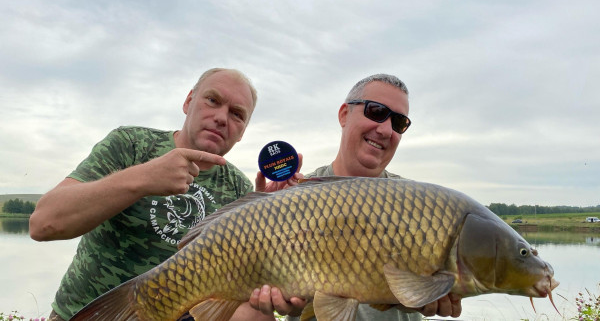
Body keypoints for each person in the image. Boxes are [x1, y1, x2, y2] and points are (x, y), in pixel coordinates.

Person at [29, 68, 286, 321]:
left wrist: (272, 214)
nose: (221, 117)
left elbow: (233, 297)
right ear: (188, 102)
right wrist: (142, 178)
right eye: (212, 100)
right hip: (89, 314)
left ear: (242, 131)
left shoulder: (238, 188)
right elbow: (43, 224)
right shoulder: (131, 144)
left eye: (237, 114)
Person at [250, 74, 462, 320]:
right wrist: (256, 219)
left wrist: (430, 295)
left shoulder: (418, 204)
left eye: (399, 122)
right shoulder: (294, 199)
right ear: (344, 114)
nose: (385, 129)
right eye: (375, 111)